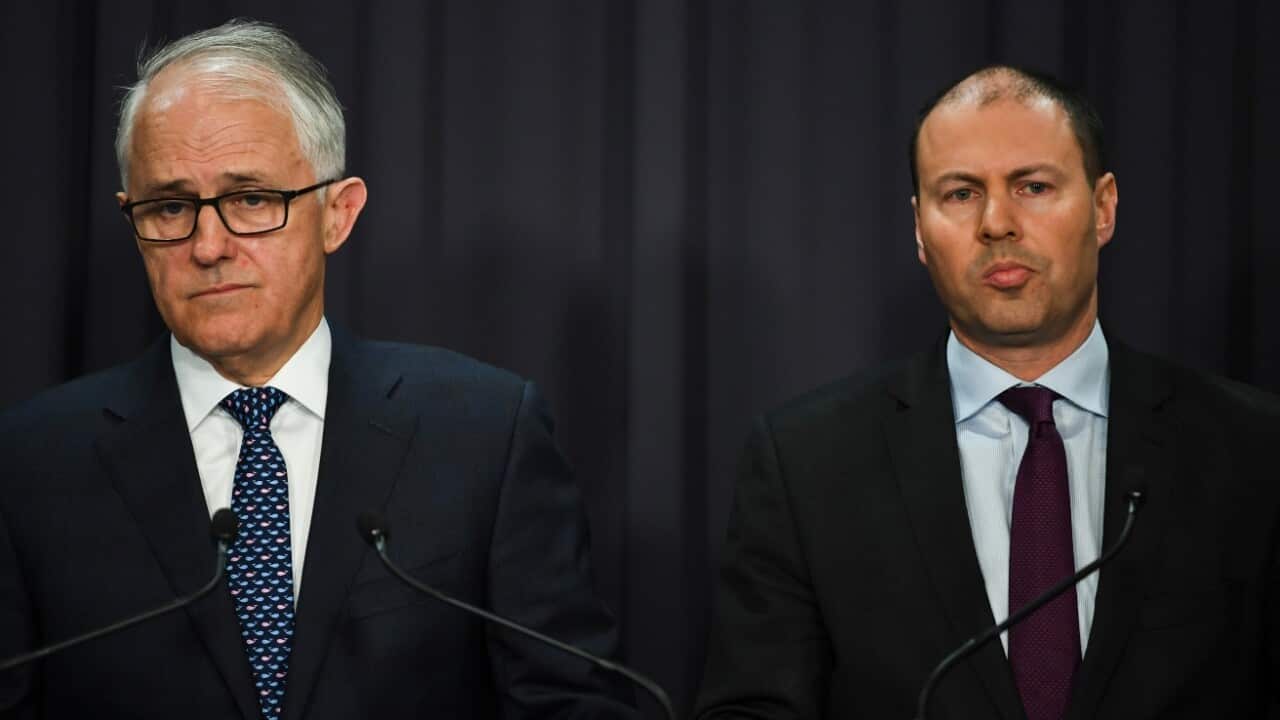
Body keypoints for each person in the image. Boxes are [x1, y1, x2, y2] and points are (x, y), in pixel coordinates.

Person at [0, 19, 636, 719]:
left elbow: (570, 703)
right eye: (171, 207)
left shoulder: (484, 436)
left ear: (338, 213)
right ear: (132, 219)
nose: (208, 246)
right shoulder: (31, 465)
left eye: (250, 200)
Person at [695, 65, 1280, 719]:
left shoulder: (1253, 448)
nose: (997, 223)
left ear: (1104, 207)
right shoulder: (806, 464)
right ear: (920, 229)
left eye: (1033, 186)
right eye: (961, 193)